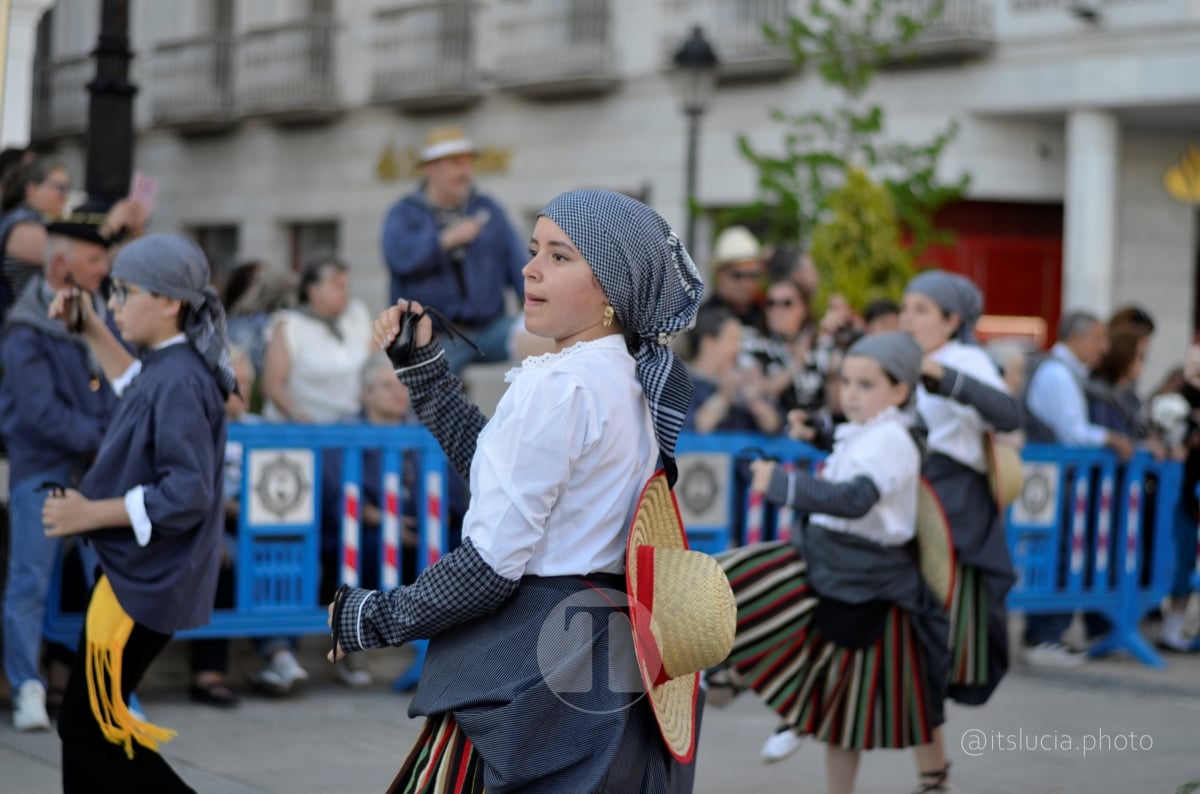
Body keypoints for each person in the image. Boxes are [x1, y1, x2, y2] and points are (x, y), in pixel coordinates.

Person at [329, 188, 709, 792]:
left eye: (561, 257)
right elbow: (501, 471)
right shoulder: (633, 380)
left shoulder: (559, 386)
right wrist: (426, 372)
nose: (530, 269)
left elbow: (490, 566)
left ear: (612, 286)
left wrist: (375, 618)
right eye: (534, 251)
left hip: (538, 664)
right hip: (613, 660)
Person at [707, 332, 951, 794]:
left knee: (902, 698)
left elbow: (856, 497)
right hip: (839, 569)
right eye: (847, 382)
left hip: (867, 579)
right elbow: (848, 438)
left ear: (899, 391)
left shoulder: (892, 439)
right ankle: (735, 679)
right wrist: (817, 431)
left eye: (866, 385)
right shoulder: (874, 430)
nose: (851, 394)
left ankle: (731, 676)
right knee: (847, 709)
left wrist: (781, 484)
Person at [40, 233, 233, 792]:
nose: (114, 304)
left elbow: (188, 491)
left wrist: (89, 514)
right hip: (138, 579)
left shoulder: (179, 377)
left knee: (88, 727)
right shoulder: (171, 367)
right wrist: (91, 328)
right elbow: (134, 385)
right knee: (90, 725)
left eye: (124, 293)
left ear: (170, 302)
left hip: (148, 582)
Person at [899, 271, 1023, 782]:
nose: (908, 317)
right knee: (902, 637)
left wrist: (940, 375)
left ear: (953, 320)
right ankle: (933, 774)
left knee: (918, 637)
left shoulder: (967, 360)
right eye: (906, 306)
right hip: (908, 497)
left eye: (922, 309)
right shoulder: (901, 359)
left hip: (951, 506)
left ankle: (933, 773)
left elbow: (1008, 413)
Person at [0, 209, 117, 731]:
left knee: (108, 580)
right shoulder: (25, 329)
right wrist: (110, 437)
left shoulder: (102, 315)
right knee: (30, 579)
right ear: (62, 263)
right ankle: (28, 686)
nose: (103, 268)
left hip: (96, 472)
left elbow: (119, 387)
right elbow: (41, 413)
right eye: (95, 259)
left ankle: (105, 686)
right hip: (44, 469)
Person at [1022, 311, 1135, 666]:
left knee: (1065, 554)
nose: (1103, 348)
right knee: (1059, 554)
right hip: (1058, 482)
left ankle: (1049, 634)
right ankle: (1043, 637)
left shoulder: (1066, 372)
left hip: (1062, 482)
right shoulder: (1057, 373)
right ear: (1080, 337)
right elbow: (1073, 433)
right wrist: (1111, 438)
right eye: (1099, 339)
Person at [381, 127, 527, 374]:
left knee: (544, 343)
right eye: (456, 163)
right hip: (437, 336)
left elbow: (516, 261)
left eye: (468, 163)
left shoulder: (487, 207)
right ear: (430, 169)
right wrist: (444, 240)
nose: (465, 172)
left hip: (490, 328)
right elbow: (398, 258)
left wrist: (534, 307)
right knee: (427, 402)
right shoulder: (404, 212)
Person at [262, 255, 372, 424]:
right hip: (302, 433)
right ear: (313, 290)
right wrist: (299, 416)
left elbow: (375, 366)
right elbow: (272, 386)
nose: (344, 292)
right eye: (337, 286)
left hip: (350, 429)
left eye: (346, 286)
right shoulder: (289, 325)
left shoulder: (357, 316)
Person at [683, 303, 783, 436]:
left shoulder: (741, 381)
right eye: (731, 339)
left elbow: (774, 427)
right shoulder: (679, 380)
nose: (737, 348)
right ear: (708, 343)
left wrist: (755, 401)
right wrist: (725, 394)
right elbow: (696, 427)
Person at [703, 225, 766, 332]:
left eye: (753, 275)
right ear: (719, 274)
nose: (746, 284)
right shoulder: (701, 319)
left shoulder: (766, 313)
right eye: (737, 275)